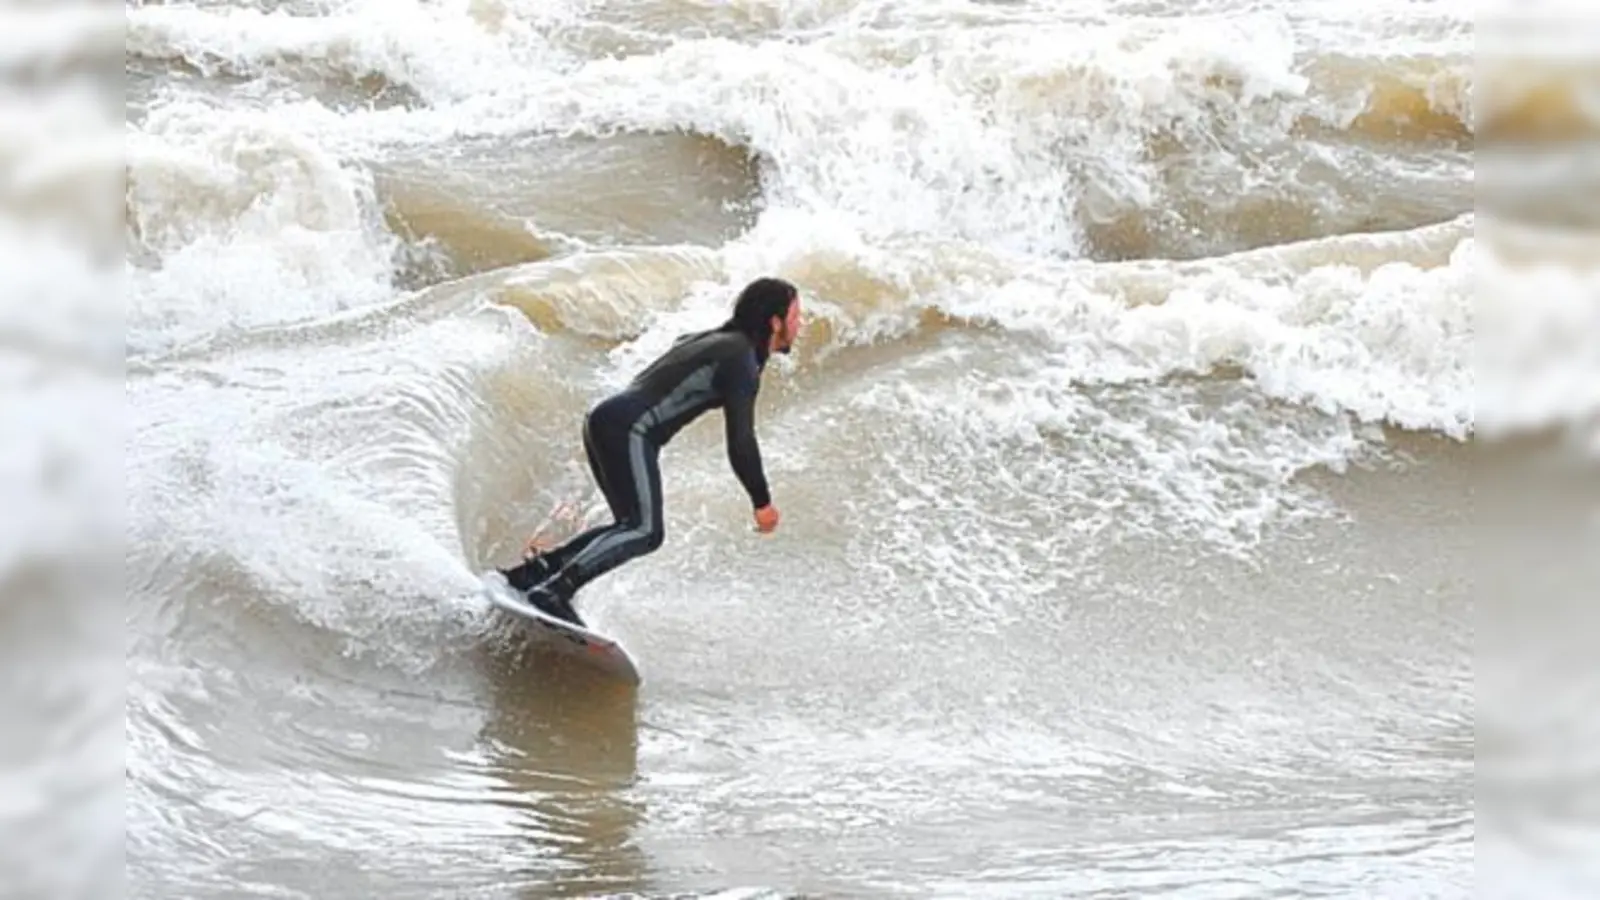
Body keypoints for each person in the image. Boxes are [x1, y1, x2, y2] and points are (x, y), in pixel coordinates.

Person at [491, 276, 803, 627]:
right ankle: (555, 591)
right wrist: (762, 502)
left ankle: (532, 575)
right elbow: (741, 441)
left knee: (629, 526)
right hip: (630, 429)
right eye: (795, 315)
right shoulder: (741, 360)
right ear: (774, 322)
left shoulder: (717, 341)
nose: (799, 324)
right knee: (645, 531)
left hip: (604, 419)